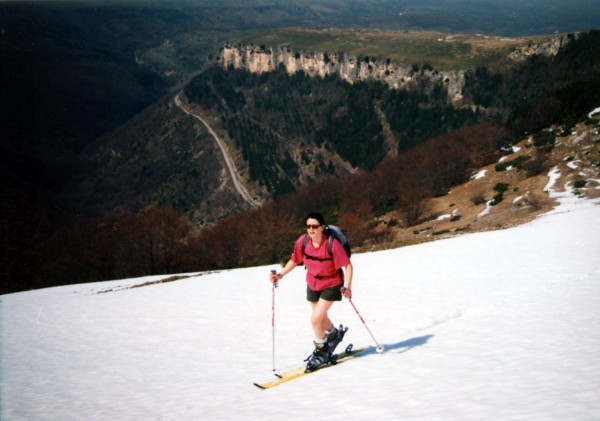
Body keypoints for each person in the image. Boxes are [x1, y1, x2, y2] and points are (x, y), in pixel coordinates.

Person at [269, 212, 353, 371]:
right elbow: (295, 260)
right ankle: (334, 334)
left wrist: (347, 287)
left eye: (315, 226)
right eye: (308, 226)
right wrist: (280, 275)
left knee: (315, 319)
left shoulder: (331, 243)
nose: (311, 229)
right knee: (320, 318)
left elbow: (348, 266)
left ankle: (322, 352)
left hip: (332, 283)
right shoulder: (303, 241)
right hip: (313, 282)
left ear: (322, 227)